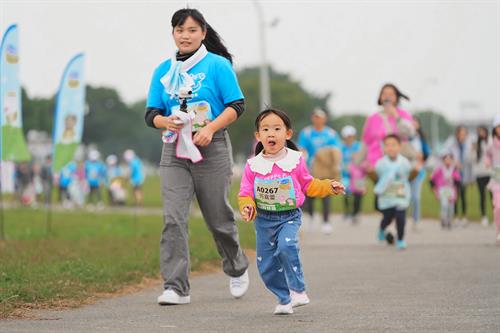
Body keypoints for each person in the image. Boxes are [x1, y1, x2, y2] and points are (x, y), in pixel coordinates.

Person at [145, 8, 249, 305]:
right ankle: (176, 287)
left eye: (192, 30)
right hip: (174, 149)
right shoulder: (163, 70)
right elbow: (151, 113)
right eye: (180, 30)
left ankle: (237, 265)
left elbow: (236, 105)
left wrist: (211, 128)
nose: (185, 35)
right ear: (173, 34)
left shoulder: (217, 65)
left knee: (218, 218)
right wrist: (165, 122)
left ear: (203, 32)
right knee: (173, 219)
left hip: (211, 146)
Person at [238, 109, 345, 314]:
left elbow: (309, 184)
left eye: (277, 128)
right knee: (266, 266)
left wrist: (329, 186)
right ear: (258, 136)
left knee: (286, 247)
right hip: (264, 220)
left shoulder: (295, 160)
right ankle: (284, 298)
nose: (271, 133)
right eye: (266, 129)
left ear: (287, 134)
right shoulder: (253, 165)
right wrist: (247, 207)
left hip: (288, 217)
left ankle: (298, 290)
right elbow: (245, 192)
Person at [361, 83, 415, 212]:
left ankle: (392, 222)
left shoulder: (404, 115)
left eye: (391, 94)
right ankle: (387, 223)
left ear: (396, 97)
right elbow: (365, 142)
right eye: (384, 94)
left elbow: (410, 133)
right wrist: (359, 164)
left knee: (397, 199)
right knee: (382, 199)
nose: (387, 96)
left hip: (398, 164)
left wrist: (396, 116)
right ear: (380, 97)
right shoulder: (373, 118)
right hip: (378, 165)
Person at [297, 108, 341, 233]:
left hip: (325, 168)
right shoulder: (306, 133)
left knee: (326, 193)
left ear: (324, 119)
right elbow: (302, 148)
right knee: (310, 193)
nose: (318, 120)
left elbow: (336, 150)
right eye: (315, 117)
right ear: (313, 118)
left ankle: (326, 221)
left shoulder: (331, 134)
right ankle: (311, 217)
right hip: (311, 167)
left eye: (320, 117)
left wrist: (336, 165)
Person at [374, 134, 413, 250]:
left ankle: (400, 239)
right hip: (387, 197)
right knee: (387, 218)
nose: (391, 148)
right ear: (384, 148)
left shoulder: (405, 163)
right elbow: (378, 177)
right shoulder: (380, 164)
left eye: (394, 145)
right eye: (387, 145)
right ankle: (382, 228)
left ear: (399, 147)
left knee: (400, 217)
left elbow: (408, 175)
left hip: (400, 195)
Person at [443, 125, 475, 226]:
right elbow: (444, 154)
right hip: (454, 173)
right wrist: (454, 161)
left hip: (464, 173)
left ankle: (464, 216)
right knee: (455, 196)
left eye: (464, 134)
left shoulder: (468, 144)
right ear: (457, 134)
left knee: (464, 195)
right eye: (460, 134)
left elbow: (471, 159)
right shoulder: (451, 143)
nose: (462, 136)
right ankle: (456, 216)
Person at [409, 116, 430, 228]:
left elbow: (427, 153)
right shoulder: (404, 138)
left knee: (416, 197)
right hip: (406, 171)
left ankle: (416, 220)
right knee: (405, 197)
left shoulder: (421, 137)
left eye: (415, 123)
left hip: (418, 171)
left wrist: (421, 159)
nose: (413, 125)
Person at [430, 152, 461, 229]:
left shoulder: (454, 170)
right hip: (443, 190)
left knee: (451, 207)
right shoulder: (439, 169)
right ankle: (443, 219)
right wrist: (434, 190)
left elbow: (458, 181)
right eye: (446, 159)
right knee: (444, 205)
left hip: (451, 190)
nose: (448, 161)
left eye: (449, 159)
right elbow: (432, 179)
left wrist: (453, 178)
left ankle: (449, 220)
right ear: (443, 160)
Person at [340, 125, 362, 223]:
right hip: (345, 174)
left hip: (358, 175)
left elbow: (361, 158)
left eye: (351, 136)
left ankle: (356, 213)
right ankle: (347, 212)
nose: (349, 138)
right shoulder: (342, 147)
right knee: (345, 193)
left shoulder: (358, 146)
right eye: (347, 136)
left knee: (358, 194)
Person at [485, 116, 500, 244]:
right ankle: (499, 231)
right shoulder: (491, 145)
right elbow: (487, 155)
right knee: (498, 207)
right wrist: (488, 162)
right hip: (496, 180)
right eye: (498, 127)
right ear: (494, 129)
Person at [473, 126, 491, 226]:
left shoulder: (491, 141)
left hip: (490, 173)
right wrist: (473, 150)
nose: (481, 133)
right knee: (482, 195)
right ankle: (484, 216)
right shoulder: (476, 143)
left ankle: (495, 215)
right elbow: (471, 159)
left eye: (483, 131)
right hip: (480, 173)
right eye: (479, 132)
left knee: (493, 195)